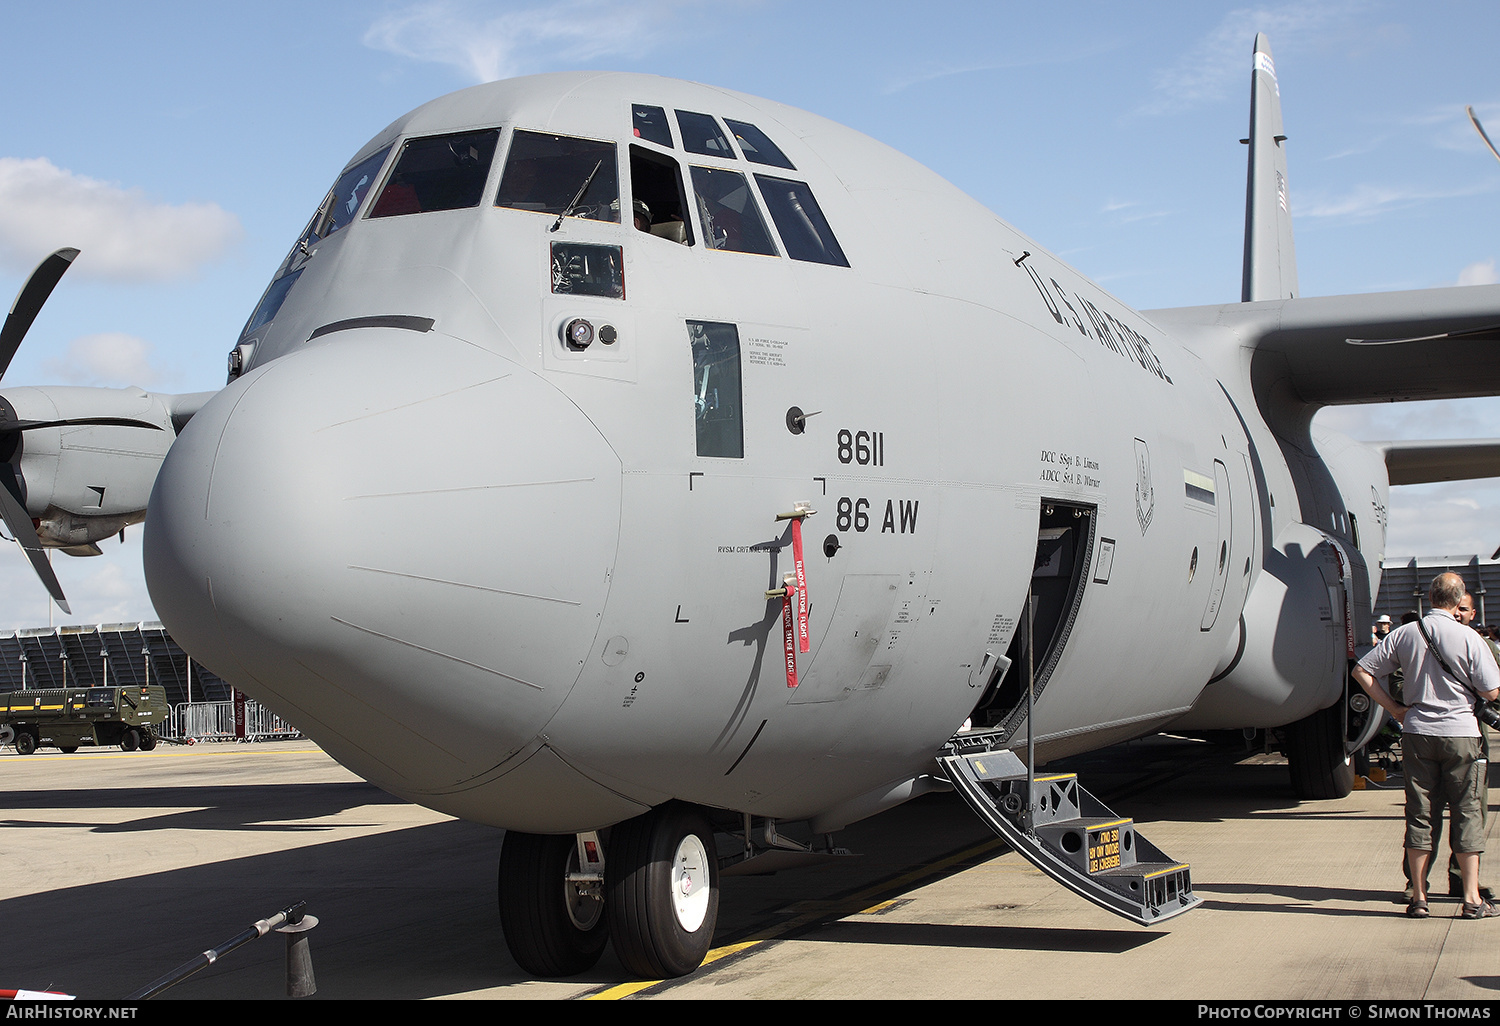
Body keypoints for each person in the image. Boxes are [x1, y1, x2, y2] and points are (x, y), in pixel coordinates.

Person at [1354, 572, 1500, 919]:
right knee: (1466, 814)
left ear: (1430, 597)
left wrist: (1395, 709)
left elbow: (1363, 671)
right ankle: (1470, 898)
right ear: (1459, 599)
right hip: (1462, 733)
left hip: (1417, 731)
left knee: (1420, 814)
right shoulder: (1469, 637)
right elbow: (1492, 692)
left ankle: (1418, 896)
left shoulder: (1406, 634)